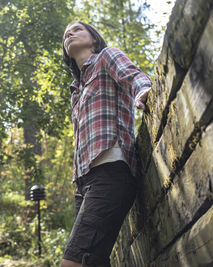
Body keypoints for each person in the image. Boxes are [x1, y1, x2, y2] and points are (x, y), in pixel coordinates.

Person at [60, 21, 151, 267]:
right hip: (83, 184)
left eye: (77, 29)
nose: (69, 33)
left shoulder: (106, 57)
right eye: (66, 34)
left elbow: (136, 77)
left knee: (73, 263)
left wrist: (142, 92)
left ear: (94, 38)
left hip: (111, 173)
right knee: (93, 261)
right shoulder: (76, 93)